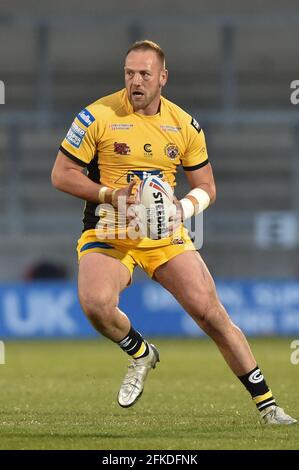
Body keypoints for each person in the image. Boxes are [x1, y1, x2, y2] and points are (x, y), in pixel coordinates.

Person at [51, 40, 296, 425]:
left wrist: (180, 209)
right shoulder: (96, 115)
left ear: (162, 77)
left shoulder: (184, 125)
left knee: (210, 313)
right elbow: (61, 175)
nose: (136, 81)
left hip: (164, 233)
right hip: (111, 228)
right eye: (129, 73)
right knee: (96, 305)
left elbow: (208, 188)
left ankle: (268, 405)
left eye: (145, 74)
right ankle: (140, 353)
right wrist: (110, 193)